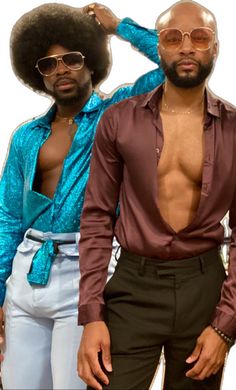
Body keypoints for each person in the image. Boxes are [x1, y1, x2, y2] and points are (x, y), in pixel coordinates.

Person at [0, 2, 164, 389]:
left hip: (86, 271)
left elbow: (172, 60)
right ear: (37, 74)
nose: (60, 70)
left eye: (70, 59)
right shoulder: (27, 136)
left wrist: (118, 27)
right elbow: (8, 217)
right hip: (26, 276)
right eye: (48, 64)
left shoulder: (119, 112)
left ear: (91, 62)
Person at [77, 1, 236, 389]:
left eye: (200, 38)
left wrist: (226, 326)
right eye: (171, 38)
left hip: (204, 286)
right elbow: (97, 215)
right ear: (159, 47)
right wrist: (92, 314)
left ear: (215, 48)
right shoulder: (119, 120)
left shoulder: (234, 129)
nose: (186, 47)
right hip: (134, 285)